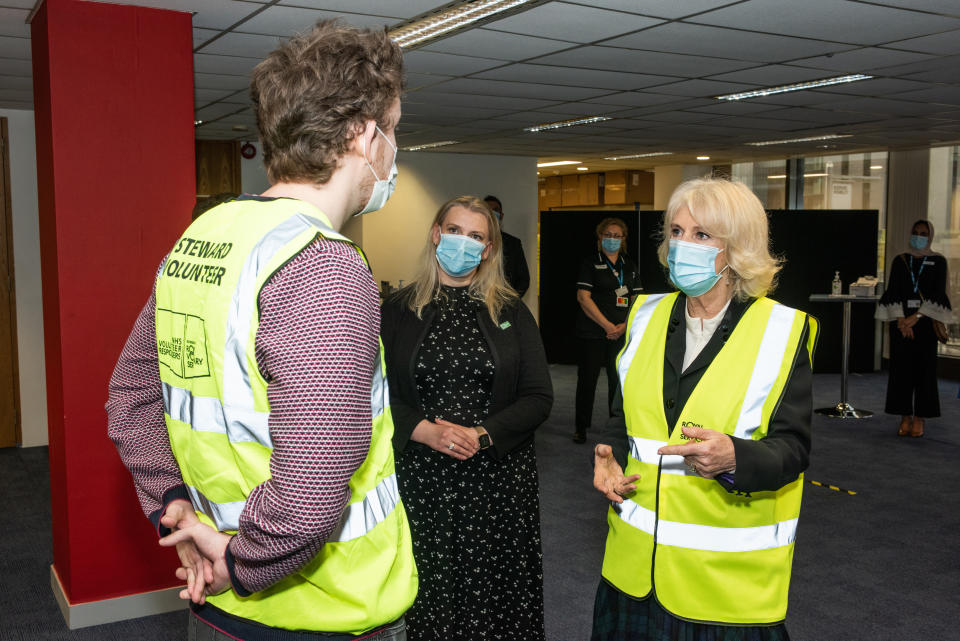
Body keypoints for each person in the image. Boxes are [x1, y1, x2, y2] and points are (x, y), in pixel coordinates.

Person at [106, 20, 417, 641]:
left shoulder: (203, 237)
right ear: (361, 134)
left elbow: (130, 398)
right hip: (323, 611)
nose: (393, 153)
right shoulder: (323, 264)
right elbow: (311, 492)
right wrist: (241, 562)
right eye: (394, 131)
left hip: (221, 604)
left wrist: (175, 510)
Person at [591, 177, 818, 641]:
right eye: (676, 232)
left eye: (701, 235)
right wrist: (610, 455)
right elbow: (626, 419)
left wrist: (736, 457)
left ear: (736, 249)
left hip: (722, 593)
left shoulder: (781, 331)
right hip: (632, 576)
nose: (682, 246)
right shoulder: (644, 314)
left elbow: (792, 449)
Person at [380, 195, 553, 641]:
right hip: (421, 477)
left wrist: (482, 433)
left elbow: (538, 397)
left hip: (495, 479)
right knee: (427, 587)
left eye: (476, 236)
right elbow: (373, 392)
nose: (463, 242)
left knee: (493, 595)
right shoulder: (397, 310)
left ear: (489, 249)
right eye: (454, 231)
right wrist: (425, 431)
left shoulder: (511, 311)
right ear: (436, 234)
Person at [876, 219, 953, 437]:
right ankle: (904, 417)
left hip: (925, 325)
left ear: (930, 237)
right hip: (902, 327)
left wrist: (915, 318)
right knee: (901, 371)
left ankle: (920, 418)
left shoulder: (939, 262)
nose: (919, 236)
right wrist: (901, 320)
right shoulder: (901, 260)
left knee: (924, 372)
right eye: (916, 232)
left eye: (923, 233)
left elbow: (938, 294)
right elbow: (893, 292)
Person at [574, 217, 642, 444]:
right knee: (587, 380)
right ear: (600, 237)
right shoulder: (590, 263)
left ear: (623, 240)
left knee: (618, 380)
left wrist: (624, 326)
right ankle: (581, 427)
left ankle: (616, 424)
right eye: (608, 235)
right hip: (593, 332)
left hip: (621, 333)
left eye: (617, 236)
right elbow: (583, 298)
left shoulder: (629, 266)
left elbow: (636, 299)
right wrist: (607, 326)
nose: (612, 239)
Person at [484, 195, 530, 296]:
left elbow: (523, 280)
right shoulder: (474, 241)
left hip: (505, 303)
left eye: (495, 210)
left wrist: (511, 303)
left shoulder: (513, 243)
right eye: (488, 210)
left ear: (501, 215)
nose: (492, 213)